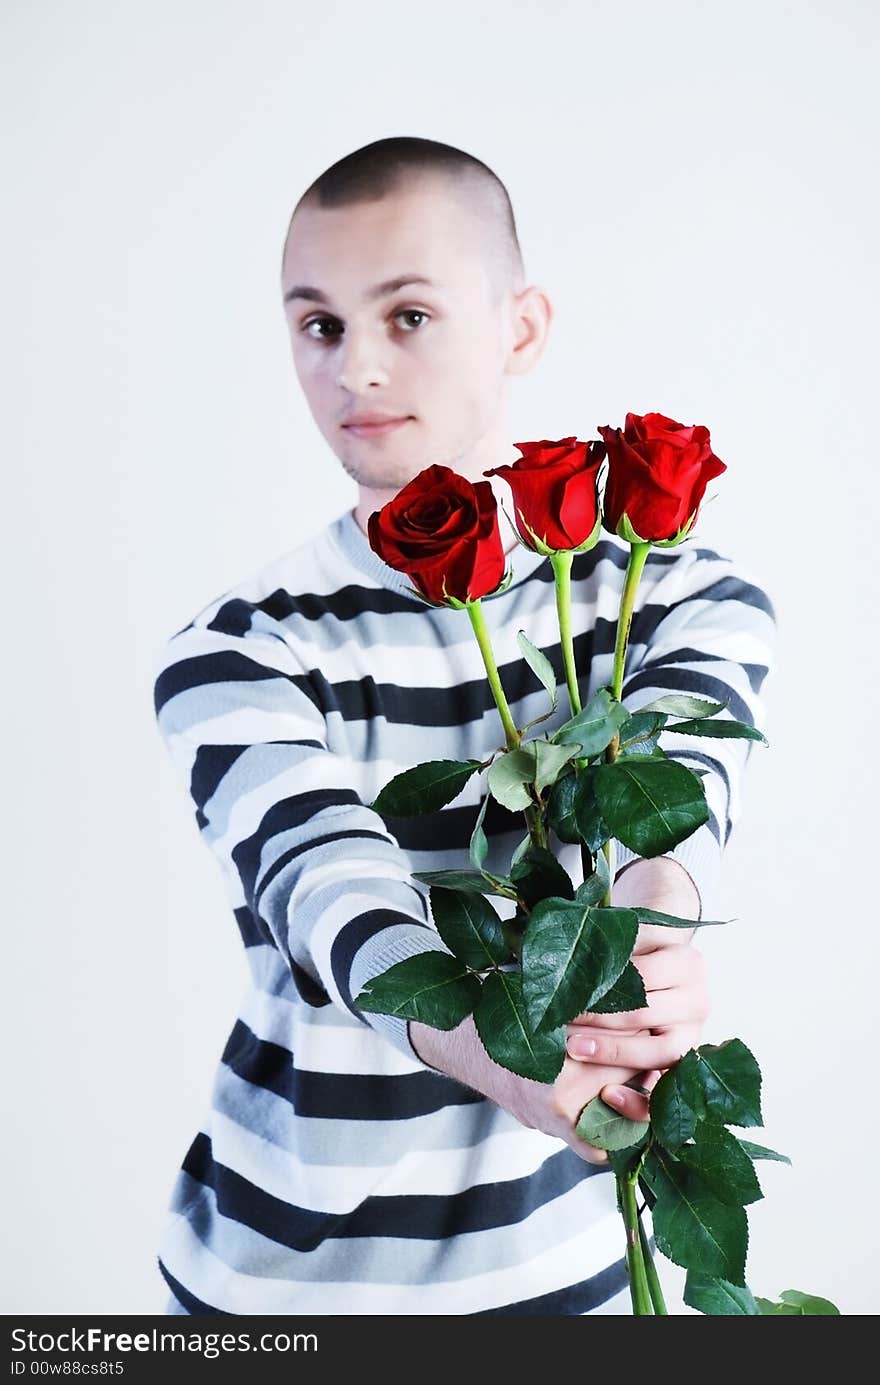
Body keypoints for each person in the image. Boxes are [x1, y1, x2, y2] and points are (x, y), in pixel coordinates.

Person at [152, 136, 777, 1315]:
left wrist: (640, 961)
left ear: (522, 327)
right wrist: (505, 1056)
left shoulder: (681, 593)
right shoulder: (239, 644)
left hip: (562, 1269)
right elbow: (327, 887)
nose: (359, 370)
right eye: (319, 324)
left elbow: (677, 800)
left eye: (409, 315)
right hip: (287, 1280)